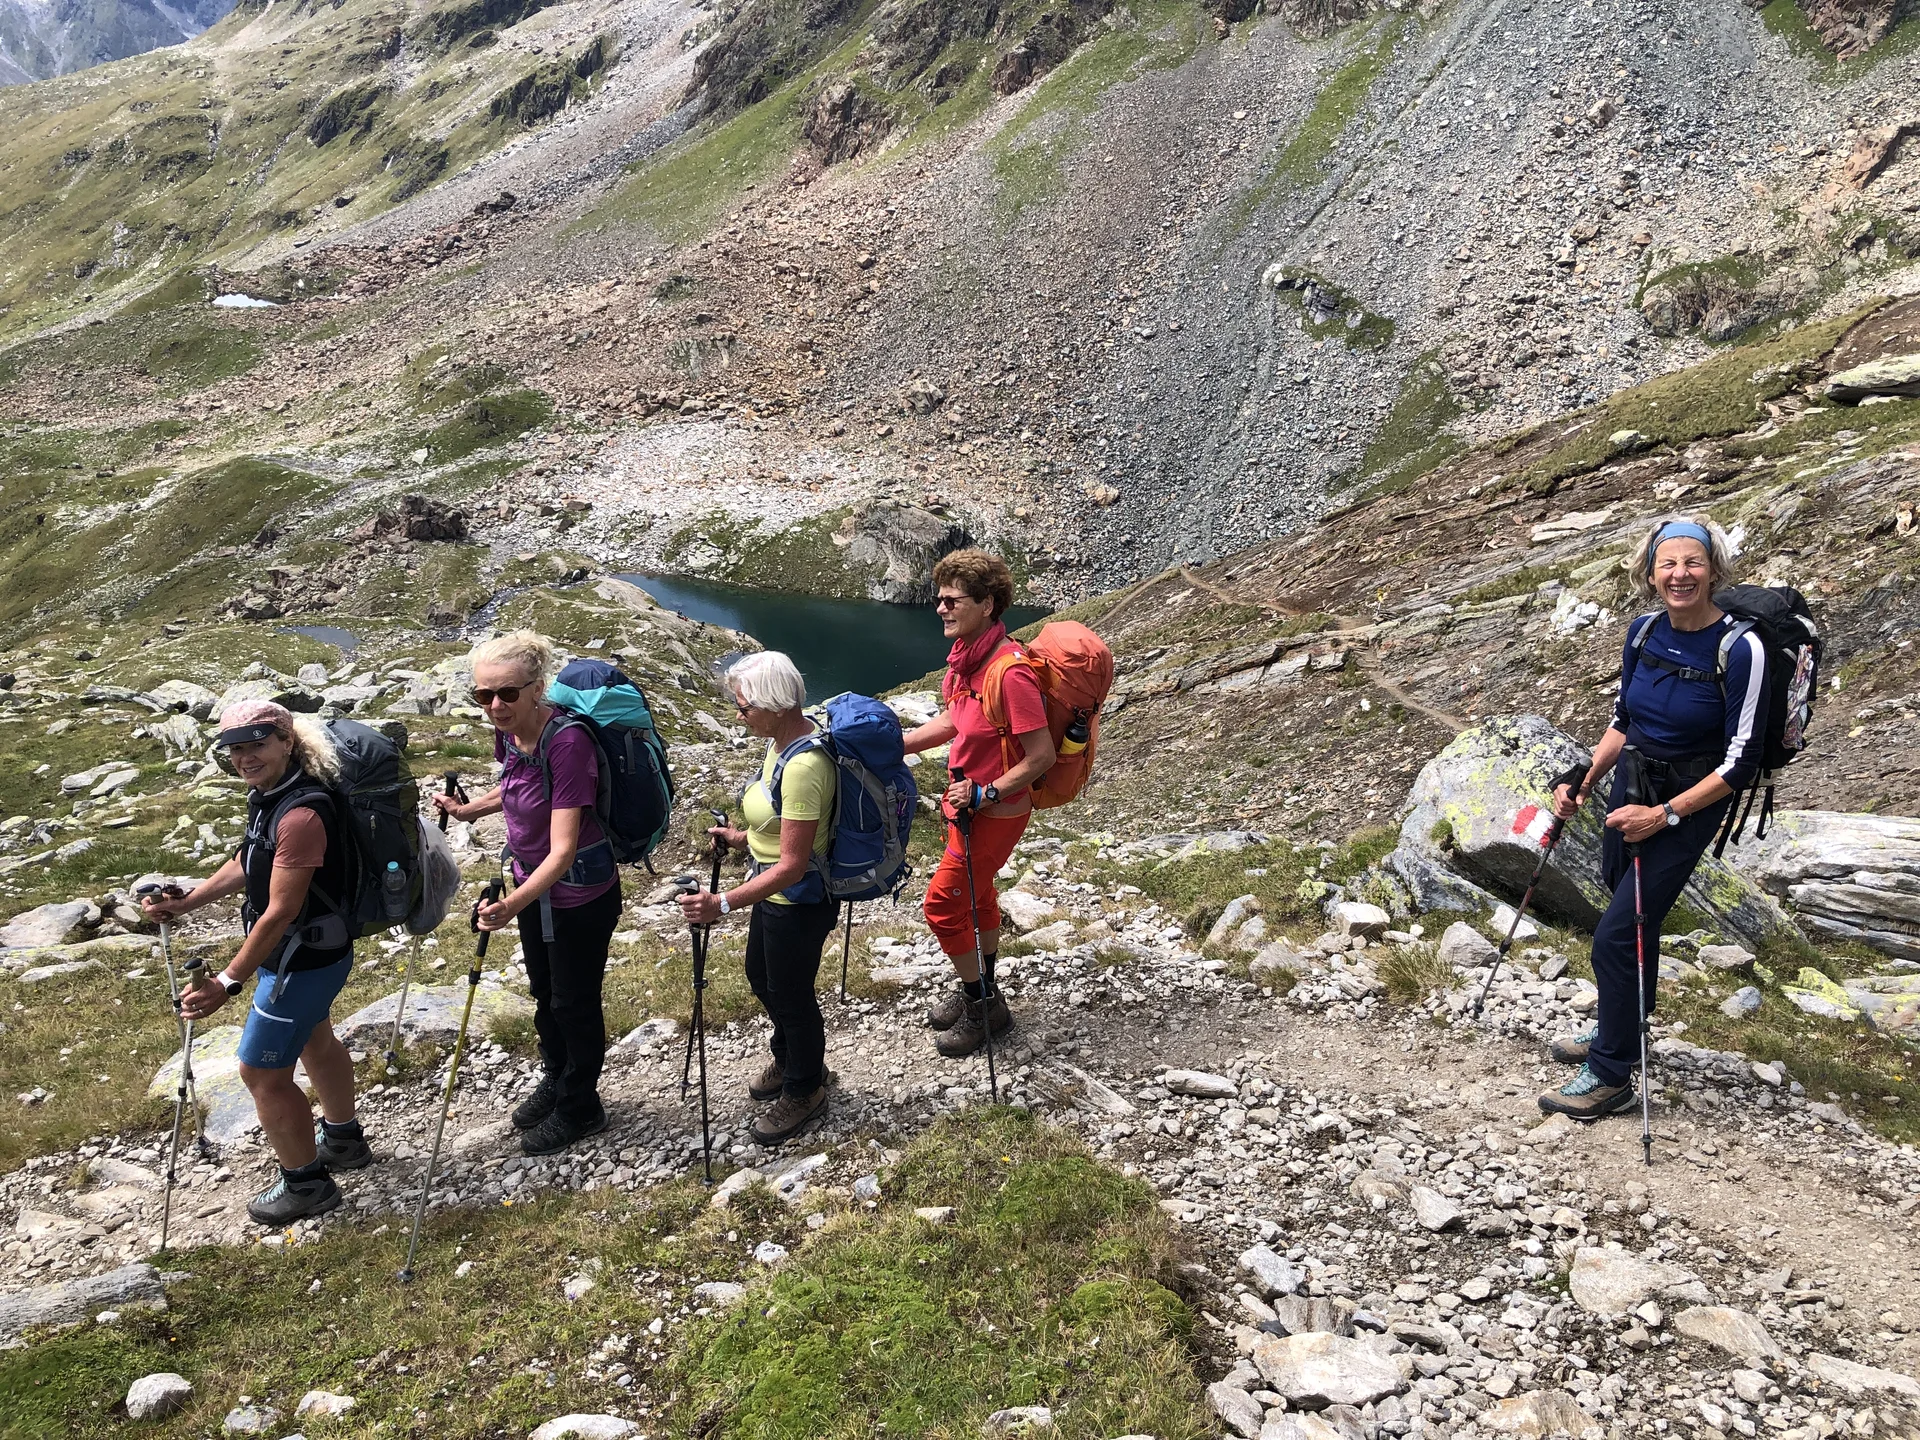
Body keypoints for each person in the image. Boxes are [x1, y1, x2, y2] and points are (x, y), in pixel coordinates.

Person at [1540, 516, 1769, 1120]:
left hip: (1687, 807)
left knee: (1615, 936)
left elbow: (1742, 763)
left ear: (1715, 569)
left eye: (1692, 563)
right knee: (1631, 923)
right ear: (1650, 572)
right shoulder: (1643, 633)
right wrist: (1583, 781)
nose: (1680, 575)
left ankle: (1611, 1077)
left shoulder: (1741, 648)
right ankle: (1623, 1032)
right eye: (1667, 564)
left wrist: (1664, 816)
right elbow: (1624, 720)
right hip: (1630, 788)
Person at [141, 700, 371, 1224]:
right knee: (315, 1038)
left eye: (257, 745)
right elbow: (250, 858)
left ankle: (307, 1186)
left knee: (261, 1073)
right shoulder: (272, 796)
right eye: (236, 749)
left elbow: (279, 912)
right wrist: (190, 899)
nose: (246, 758)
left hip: (300, 960)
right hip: (313, 953)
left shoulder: (302, 813)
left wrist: (227, 981)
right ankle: (344, 1141)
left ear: (287, 741)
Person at [432, 630, 619, 1155]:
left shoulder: (567, 742)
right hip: (534, 889)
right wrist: (472, 810)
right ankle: (558, 1078)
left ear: (537, 688)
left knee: (573, 1001)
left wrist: (511, 905)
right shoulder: (512, 733)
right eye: (483, 695)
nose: (495, 705)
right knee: (545, 993)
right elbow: (516, 784)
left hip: (579, 894)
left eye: (507, 693)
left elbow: (562, 850)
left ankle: (582, 1108)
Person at [678, 652, 840, 1145]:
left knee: (790, 993)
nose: (738, 714)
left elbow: (793, 863)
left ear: (774, 705)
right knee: (763, 976)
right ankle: (794, 1057)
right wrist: (742, 840)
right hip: (776, 891)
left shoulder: (804, 765)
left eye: (744, 706)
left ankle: (805, 1086)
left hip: (798, 898)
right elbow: (781, 831)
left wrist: (722, 903)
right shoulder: (780, 744)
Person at [902, 549, 1056, 1059]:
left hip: (994, 811)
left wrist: (987, 791)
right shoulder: (966, 663)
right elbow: (954, 723)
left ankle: (982, 1003)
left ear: (987, 604)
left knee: (942, 905)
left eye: (952, 600)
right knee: (978, 895)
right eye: (938, 599)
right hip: (965, 806)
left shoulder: (1009, 673)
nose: (941, 609)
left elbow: (1041, 756)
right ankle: (985, 986)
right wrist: (894, 743)